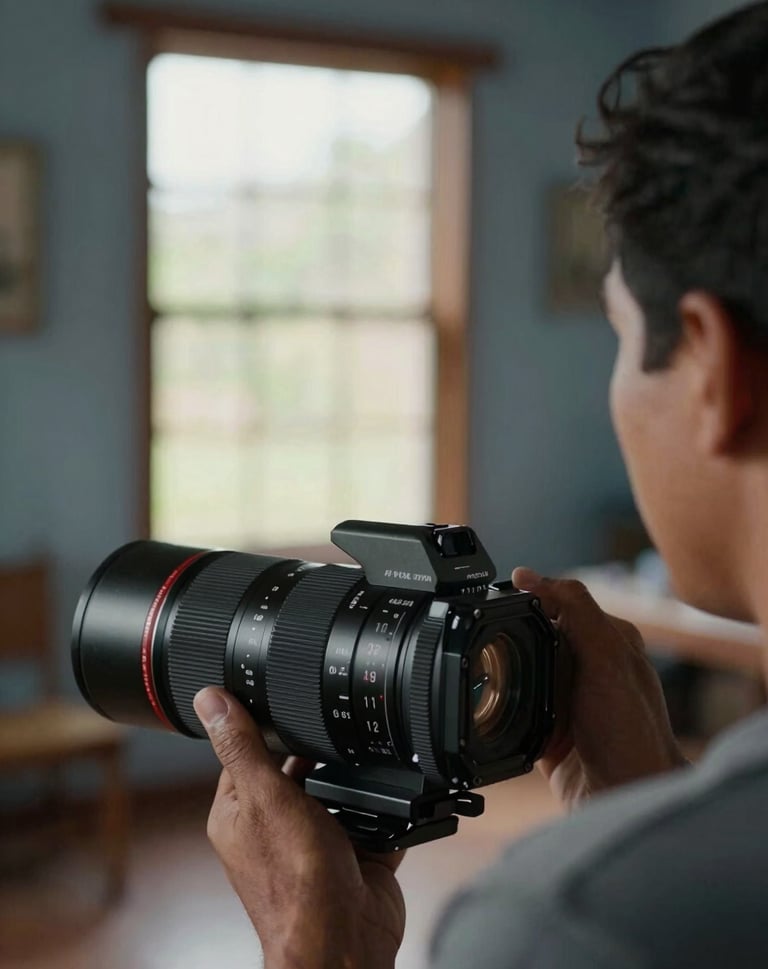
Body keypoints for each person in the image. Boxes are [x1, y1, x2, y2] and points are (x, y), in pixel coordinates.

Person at [191, 2, 768, 965]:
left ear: (711, 368)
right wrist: (653, 802)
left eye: (619, 334)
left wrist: (315, 946)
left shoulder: (566, 923)